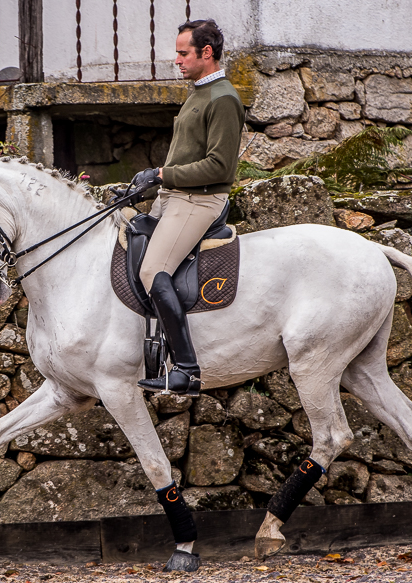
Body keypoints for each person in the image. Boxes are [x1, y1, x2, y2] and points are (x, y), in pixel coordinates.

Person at [130, 18, 245, 396]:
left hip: (200, 200)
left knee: (152, 270)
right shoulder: (198, 92)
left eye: (183, 53)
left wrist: (163, 174)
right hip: (173, 197)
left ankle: (186, 369)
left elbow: (219, 166)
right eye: (177, 53)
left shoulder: (223, 98)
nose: (176, 60)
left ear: (206, 53)